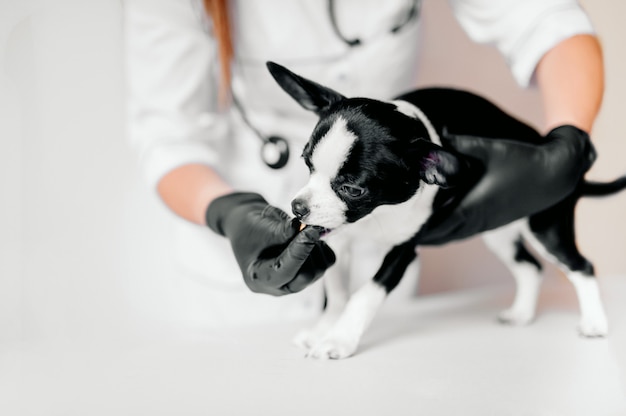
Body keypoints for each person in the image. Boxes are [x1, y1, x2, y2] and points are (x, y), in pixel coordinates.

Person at [124, 0, 604, 326]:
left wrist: (566, 145)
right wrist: (227, 212)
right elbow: (168, 133)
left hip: (386, 237)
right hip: (232, 299)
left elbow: (546, 20)